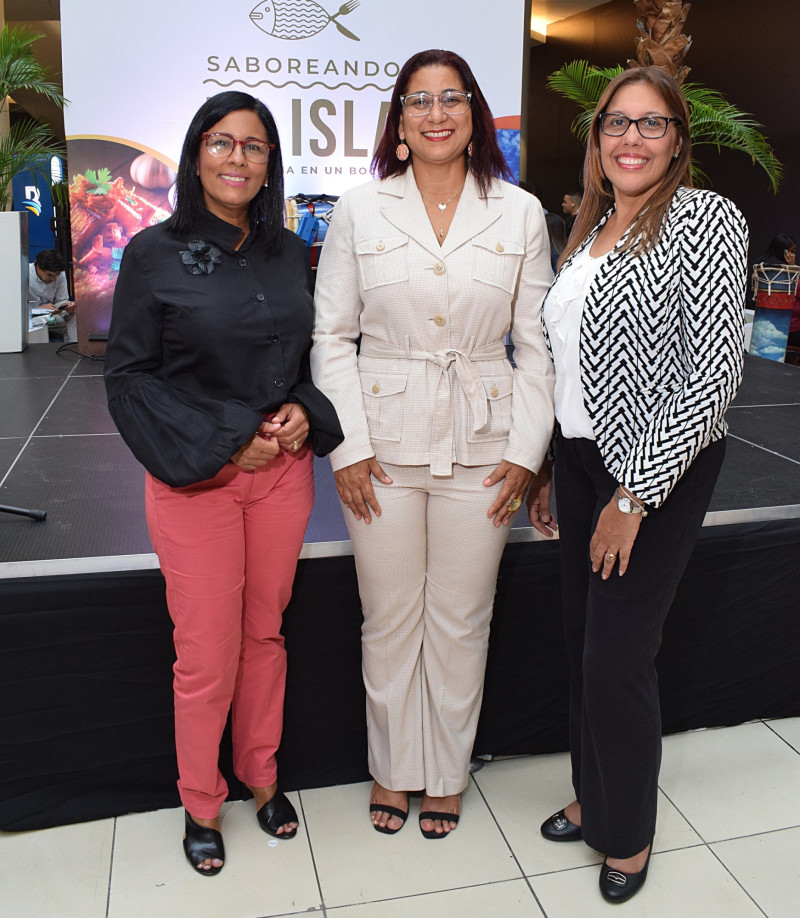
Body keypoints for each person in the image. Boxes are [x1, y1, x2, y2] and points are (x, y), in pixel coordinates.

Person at [310, 49, 554, 839]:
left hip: (484, 444)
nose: (437, 112)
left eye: (452, 99)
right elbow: (332, 338)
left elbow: (538, 346)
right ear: (400, 120)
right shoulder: (359, 209)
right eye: (420, 100)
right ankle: (393, 768)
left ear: (475, 113)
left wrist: (525, 450)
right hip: (379, 442)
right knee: (388, 617)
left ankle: (444, 772)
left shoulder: (518, 211)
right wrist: (344, 450)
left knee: (460, 617)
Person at [104, 91, 342, 876]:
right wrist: (228, 442)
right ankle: (201, 803)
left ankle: (263, 777)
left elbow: (310, 358)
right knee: (206, 655)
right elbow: (130, 378)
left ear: (271, 163)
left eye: (254, 146)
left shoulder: (287, 250)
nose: (238, 159)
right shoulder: (151, 253)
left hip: (282, 479)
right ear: (196, 152)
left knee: (264, 636)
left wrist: (305, 412)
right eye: (222, 143)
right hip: (198, 481)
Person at [526, 66, 748, 903]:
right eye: (616, 123)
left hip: (656, 468)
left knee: (618, 656)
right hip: (582, 461)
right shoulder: (588, 231)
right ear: (596, 140)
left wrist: (632, 496)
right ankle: (595, 799)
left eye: (651, 125)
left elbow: (711, 377)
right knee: (586, 644)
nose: (630, 138)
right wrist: (554, 463)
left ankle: (630, 835)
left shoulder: (705, 220)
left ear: (677, 140)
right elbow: (569, 367)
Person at [28, 249, 76, 342]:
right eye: (49, 275)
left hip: (52, 316)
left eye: (56, 276)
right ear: (37, 267)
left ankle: (72, 349)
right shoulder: (24, 273)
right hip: (30, 318)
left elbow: (61, 300)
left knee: (74, 316)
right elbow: (15, 310)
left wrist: (65, 306)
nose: (53, 279)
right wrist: (39, 308)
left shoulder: (60, 275)